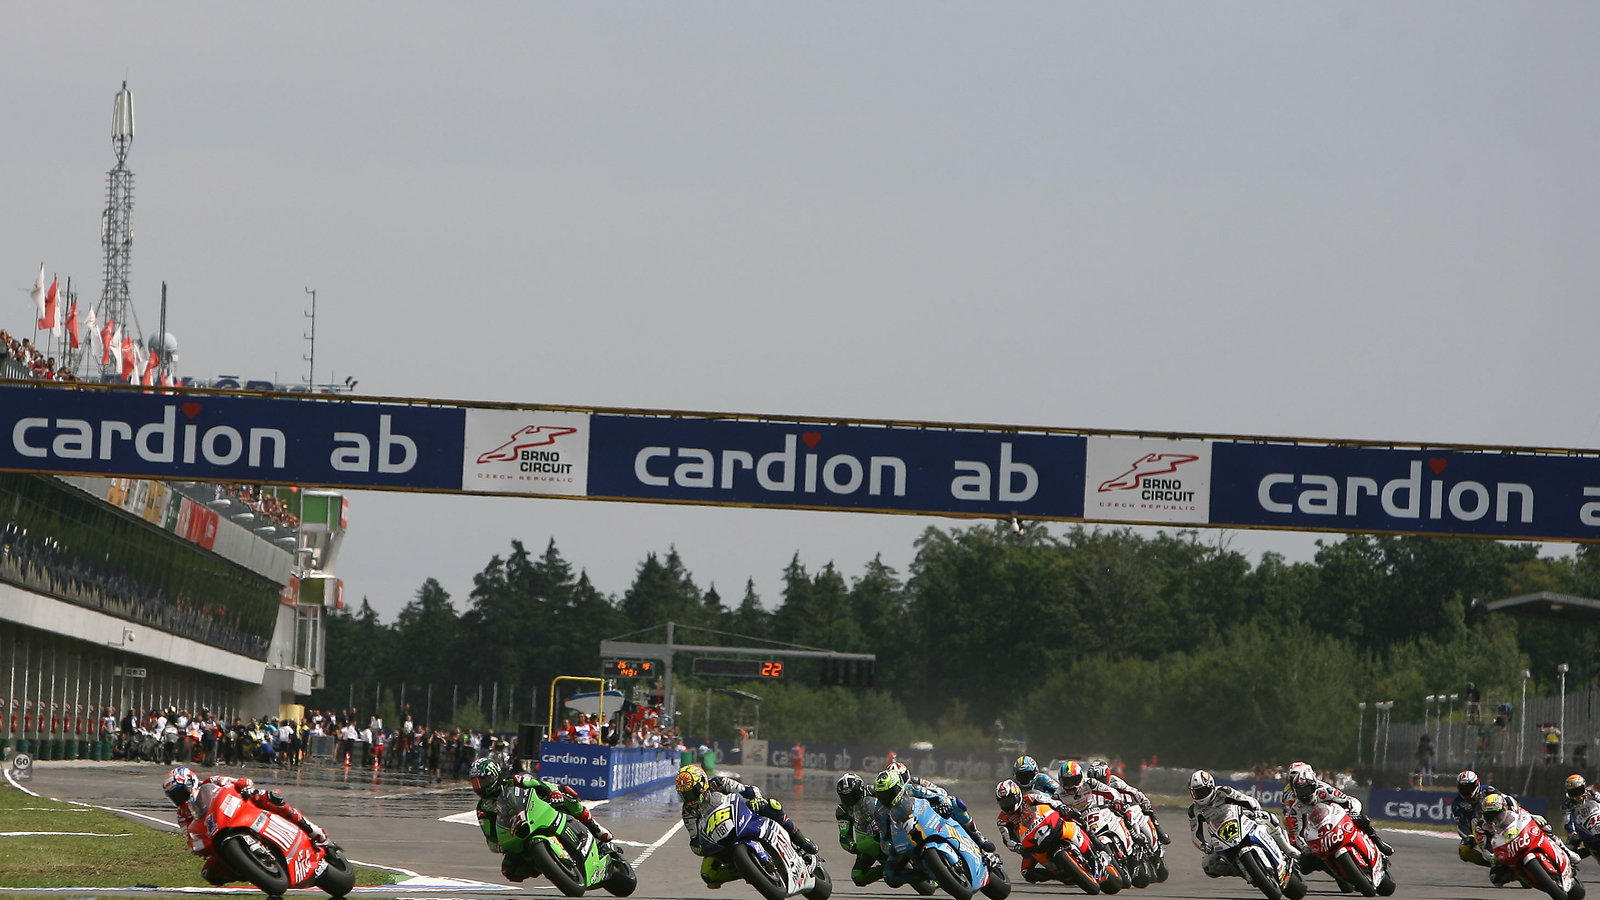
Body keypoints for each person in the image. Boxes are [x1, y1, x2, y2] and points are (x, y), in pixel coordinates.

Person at [162, 765, 326, 886]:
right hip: (217, 833)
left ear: (191, 782)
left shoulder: (212, 781)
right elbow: (189, 835)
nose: (178, 798)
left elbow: (235, 782)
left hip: (239, 810)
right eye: (174, 796)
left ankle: (310, 829)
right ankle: (251, 870)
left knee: (269, 797)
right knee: (210, 873)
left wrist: (245, 786)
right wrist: (197, 847)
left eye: (179, 792)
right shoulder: (182, 815)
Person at [469, 757, 617, 883]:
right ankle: (546, 864)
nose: (479, 786)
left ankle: (594, 827)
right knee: (509, 870)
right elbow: (490, 837)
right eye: (475, 783)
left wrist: (553, 793)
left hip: (540, 811)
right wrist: (499, 845)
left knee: (566, 793)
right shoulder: (483, 809)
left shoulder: (514, 781)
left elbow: (540, 785)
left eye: (482, 781)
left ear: (495, 776)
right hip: (519, 833)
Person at [678, 764, 816, 889]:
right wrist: (700, 847)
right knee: (708, 874)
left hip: (743, 816)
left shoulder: (718, 783)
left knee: (771, 805)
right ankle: (747, 871)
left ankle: (800, 840)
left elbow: (749, 790)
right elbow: (694, 837)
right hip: (719, 839)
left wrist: (757, 799)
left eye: (691, 792)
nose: (688, 797)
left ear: (702, 783)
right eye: (684, 794)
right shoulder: (688, 811)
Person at [1186, 769, 1297, 879]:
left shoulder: (1223, 791)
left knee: (1267, 817)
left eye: (1201, 791)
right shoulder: (1194, 810)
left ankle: (1287, 848)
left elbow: (1246, 799)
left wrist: (1255, 810)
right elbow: (1195, 834)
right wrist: (1203, 845)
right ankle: (1244, 870)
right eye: (1195, 793)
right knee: (1208, 866)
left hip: (1240, 818)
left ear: (1210, 786)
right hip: (1220, 834)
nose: (1199, 796)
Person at [1281, 761, 1394, 856]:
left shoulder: (1325, 789)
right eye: (1299, 790)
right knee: (1306, 864)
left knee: (1361, 819)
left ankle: (1378, 842)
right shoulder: (1294, 804)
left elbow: (1350, 800)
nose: (1304, 794)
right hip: (1313, 827)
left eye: (1307, 789)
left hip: (1336, 819)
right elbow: (1296, 832)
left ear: (1313, 783)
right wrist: (1305, 848)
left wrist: (1354, 812)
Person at [886, 760, 996, 852]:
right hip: (911, 821)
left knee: (955, 802)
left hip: (932, 810)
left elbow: (940, 792)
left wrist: (943, 804)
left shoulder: (916, 783)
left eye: (901, 777)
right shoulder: (888, 797)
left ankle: (977, 836)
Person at [994, 778, 1083, 883]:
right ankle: (1058, 875)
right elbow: (1007, 840)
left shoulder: (1031, 797)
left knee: (1076, 818)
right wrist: (1017, 847)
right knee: (1026, 872)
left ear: (1017, 795)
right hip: (1031, 844)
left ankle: (1090, 839)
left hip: (1048, 825)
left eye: (1009, 801)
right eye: (1003, 803)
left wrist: (1061, 807)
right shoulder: (1002, 820)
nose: (1007, 806)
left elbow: (1050, 801)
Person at [1085, 758, 1171, 845]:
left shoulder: (1114, 781)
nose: (1098, 783)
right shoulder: (1089, 786)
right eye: (1095, 780)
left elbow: (1131, 791)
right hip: (1106, 810)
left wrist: (1143, 801)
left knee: (1143, 810)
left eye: (1100, 779)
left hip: (1124, 804)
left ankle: (1159, 832)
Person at [834, 774, 886, 886]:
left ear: (860, 789)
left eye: (853, 795)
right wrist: (853, 846)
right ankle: (885, 871)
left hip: (888, 828)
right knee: (858, 876)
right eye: (845, 797)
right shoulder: (842, 810)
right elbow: (844, 837)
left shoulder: (873, 791)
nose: (850, 799)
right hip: (869, 839)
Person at [1560, 774, 1600, 856]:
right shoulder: (1567, 804)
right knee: (1569, 849)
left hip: (1596, 818)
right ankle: (1569, 865)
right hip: (1581, 826)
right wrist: (1572, 832)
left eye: (1579, 790)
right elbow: (1566, 821)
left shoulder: (1592, 794)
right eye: (1573, 792)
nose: (1577, 794)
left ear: (1584, 787)